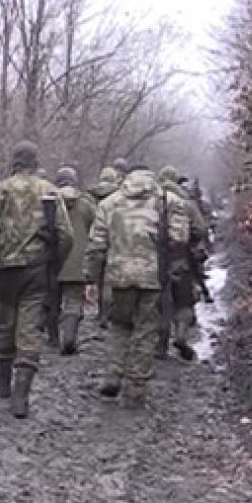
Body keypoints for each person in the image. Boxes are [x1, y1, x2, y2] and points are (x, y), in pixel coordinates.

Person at [0, 141, 73, 419]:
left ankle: (2, 384)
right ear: (35, 163)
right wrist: (55, 261)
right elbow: (66, 234)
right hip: (35, 271)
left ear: (14, 163)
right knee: (29, 330)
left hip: (2, 271)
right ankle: (21, 396)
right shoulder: (50, 192)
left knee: (4, 325)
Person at [84, 164, 191, 406]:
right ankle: (136, 388)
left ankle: (114, 371)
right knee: (146, 329)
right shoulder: (169, 201)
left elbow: (97, 246)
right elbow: (180, 238)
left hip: (117, 275)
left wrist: (92, 280)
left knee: (120, 324)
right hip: (153, 276)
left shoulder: (109, 203)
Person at [156, 166, 208, 360]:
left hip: (156, 261)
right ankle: (180, 334)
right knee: (184, 302)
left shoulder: (150, 201)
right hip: (181, 260)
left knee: (159, 304)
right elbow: (200, 229)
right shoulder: (187, 203)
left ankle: (160, 347)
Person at [53, 166, 97, 355]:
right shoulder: (86, 204)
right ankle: (69, 338)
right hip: (77, 262)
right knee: (72, 301)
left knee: (51, 301)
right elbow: (97, 228)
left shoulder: (48, 202)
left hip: (52, 262)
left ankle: (53, 338)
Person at [88, 166, 121, 327]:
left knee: (100, 280)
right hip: (116, 240)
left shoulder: (93, 195)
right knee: (111, 280)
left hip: (97, 239)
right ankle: (108, 314)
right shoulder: (121, 197)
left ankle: (100, 312)